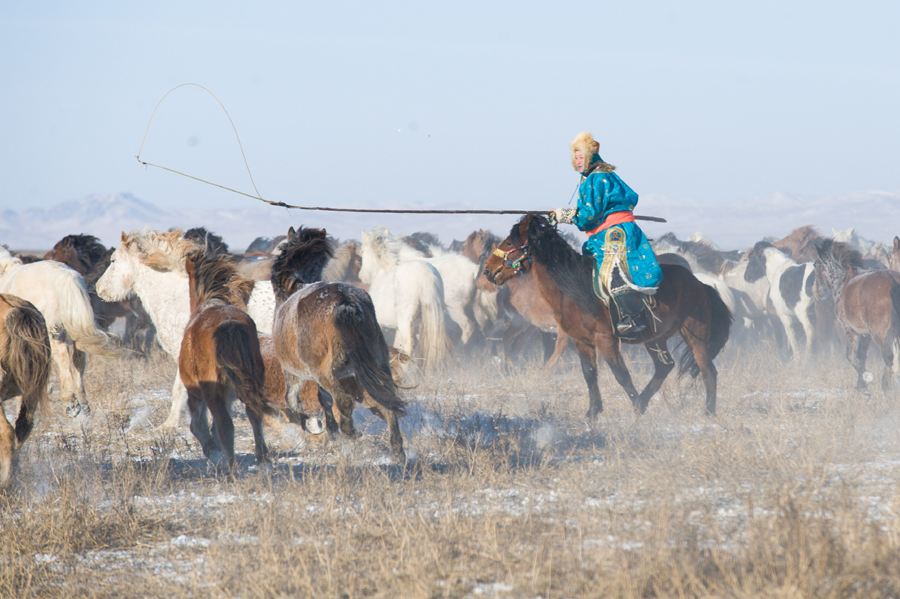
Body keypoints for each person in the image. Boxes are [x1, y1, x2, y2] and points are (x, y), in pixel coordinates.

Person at [553, 131, 662, 336]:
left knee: (611, 267)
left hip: (614, 231)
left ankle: (632, 318)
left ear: (590, 157)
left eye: (580, 156)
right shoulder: (597, 176)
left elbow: (590, 214)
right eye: (574, 157)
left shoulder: (597, 177)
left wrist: (564, 216)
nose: (577, 161)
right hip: (609, 229)